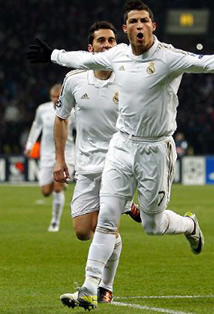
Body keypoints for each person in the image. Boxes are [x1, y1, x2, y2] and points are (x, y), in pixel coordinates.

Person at [28, 0, 214, 309]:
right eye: (133, 21)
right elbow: (83, 58)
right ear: (126, 28)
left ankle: (190, 226)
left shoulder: (168, 58)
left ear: (153, 26)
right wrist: (52, 55)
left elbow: (207, 62)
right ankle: (89, 287)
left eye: (144, 20)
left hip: (155, 150)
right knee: (106, 219)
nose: (138, 26)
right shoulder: (118, 55)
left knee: (152, 225)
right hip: (121, 146)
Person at [53, 21, 141, 306]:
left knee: (106, 226)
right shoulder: (75, 79)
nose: (107, 45)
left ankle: (102, 287)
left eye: (112, 41)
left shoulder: (129, 78)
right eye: (102, 41)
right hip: (87, 166)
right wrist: (59, 159)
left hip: (120, 164)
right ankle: (131, 208)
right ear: (90, 49)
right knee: (82, 232)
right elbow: (62, 117)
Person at [24, 83, 76, 232]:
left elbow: (82, 130)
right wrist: (29, 145)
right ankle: (61, 185)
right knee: (46, 191)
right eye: (52, 96)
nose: (55, 99)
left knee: (57, 188)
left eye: (57, 96)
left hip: (67, 155)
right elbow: (36, 126)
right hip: (46, 155)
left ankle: (55, 222)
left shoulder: (73, 112)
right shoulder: (42, 109)